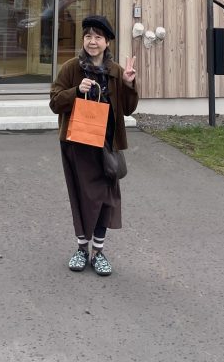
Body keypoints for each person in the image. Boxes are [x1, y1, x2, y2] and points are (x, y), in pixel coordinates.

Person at [49, 14, 138, 276]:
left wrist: (129, 84)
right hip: (77, 144)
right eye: (88, 36)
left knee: (105, 199)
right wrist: (77, 91)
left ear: (107, 42)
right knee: (81, 196)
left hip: (107, 145)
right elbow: (54, 102)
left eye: (98, 37)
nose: (92, 41)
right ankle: (81, 249)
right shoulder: (71, 68)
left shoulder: (116, 71)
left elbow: (128, 108)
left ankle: (98, 252)